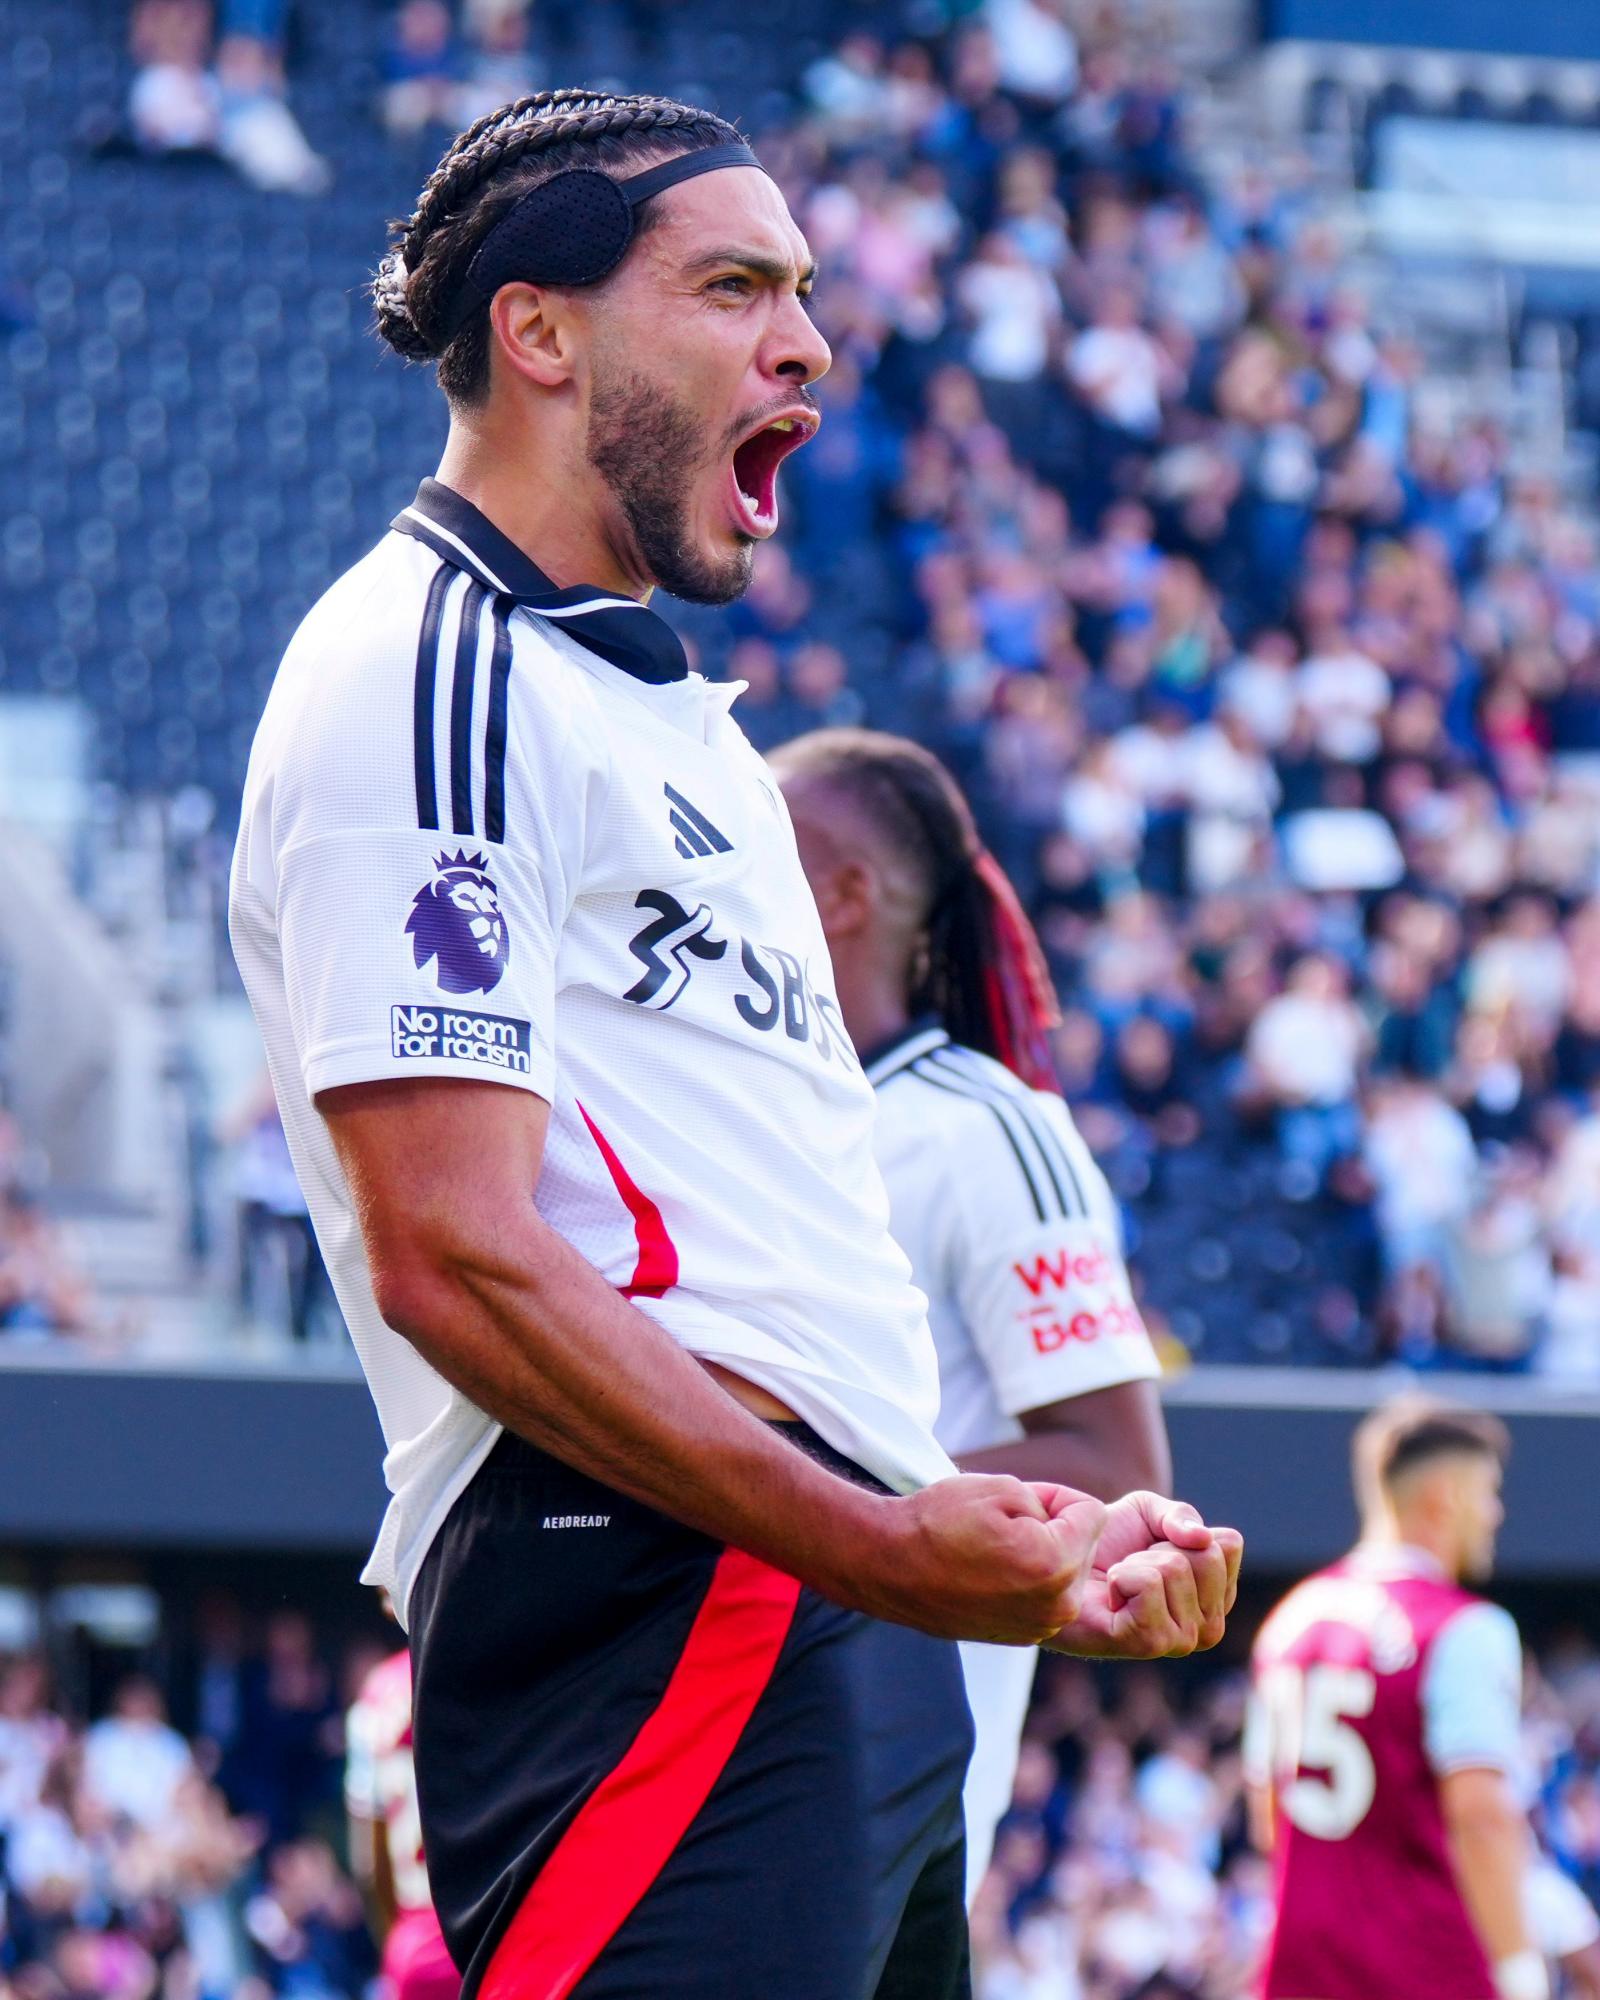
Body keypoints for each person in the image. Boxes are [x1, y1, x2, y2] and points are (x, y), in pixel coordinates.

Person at [229, 89, 1241, 1999]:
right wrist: (876, 1538)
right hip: (656, 1585)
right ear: (539, 333)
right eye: (733, 286)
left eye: (802, 290)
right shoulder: (428, 667)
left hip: (825, 1613)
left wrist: (981, 1517)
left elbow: (773, 1260)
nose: (809, 341)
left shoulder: (678, 718)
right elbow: (455, 1251)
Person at [774, 727, 1171, 1899]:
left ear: (844, 893)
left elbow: (1112, 1456)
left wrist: (772, 1494)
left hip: (879, 1766)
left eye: (759, 835)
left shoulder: (985, 1127)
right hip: (729, 1712)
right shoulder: (755, 1111)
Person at [1244, 1397, 1546, 2000]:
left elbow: (1268, 1817)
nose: (1495, 1513)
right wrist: (1519, 1971)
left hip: (1298, 1969)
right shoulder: (1462, 1627)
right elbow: (1480, 1816)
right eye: (1487, 1491)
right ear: (1444, 1495)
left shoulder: (1290, 1618)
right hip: (1427, 1969)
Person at [347, 1624, 459, 2000]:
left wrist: (396, 1937)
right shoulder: (493, 1674)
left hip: (414, 1944)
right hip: (489, 1940)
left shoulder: (378, 1692)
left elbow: (368, 1860)